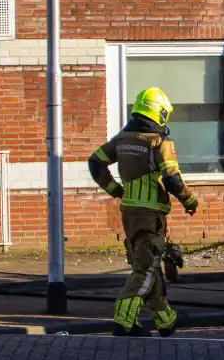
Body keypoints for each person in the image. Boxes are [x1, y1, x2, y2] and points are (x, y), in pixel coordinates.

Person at [87, 87, 199, 337]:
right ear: (159, 112)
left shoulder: (123, 139)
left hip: (129, 213)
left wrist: (116, 190)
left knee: (148, 264)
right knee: (146, 269)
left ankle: (165, 319)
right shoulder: (159, 142)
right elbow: (172, 181)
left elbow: (95, 162)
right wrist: (190, 201)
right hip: (151, 216)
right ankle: (124, 319)